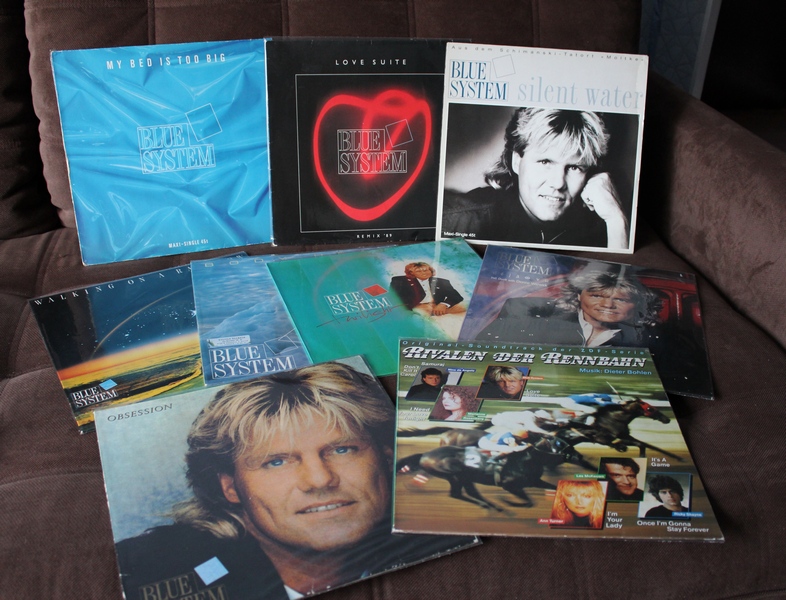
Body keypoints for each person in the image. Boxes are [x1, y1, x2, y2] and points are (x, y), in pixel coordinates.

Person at [115, 363, 466, 600]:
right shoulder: (150, 571)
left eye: (342, 449)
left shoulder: (447, 540)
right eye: (277, 461)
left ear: (387, 458)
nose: (320, 479)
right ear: (230, 487)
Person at [441, 107, 630, 249]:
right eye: (545, 162)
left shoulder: (599, 227)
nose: (558, 183)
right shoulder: (461, 220)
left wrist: (616, 220)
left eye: (574, 167)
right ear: (517, 161)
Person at [477, 264, 661, 349]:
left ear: (638, 303)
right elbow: (484, 351)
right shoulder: (525, 312)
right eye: (597, 296)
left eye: (621, 300)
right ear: (579, 295)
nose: (607, 305)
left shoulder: (650, 341)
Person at [390, 261, 466, 339]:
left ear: (431, 271)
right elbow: (393, 297)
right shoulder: (399, 281)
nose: (424, 273)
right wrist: (413, 307)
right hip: (418, 307)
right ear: (411, 273)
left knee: (465, 306)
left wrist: (443, 304)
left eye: (426, 270)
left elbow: (456, 296)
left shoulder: (442, 281)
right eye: (418, 271)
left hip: (437, 305)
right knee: (426, 321)